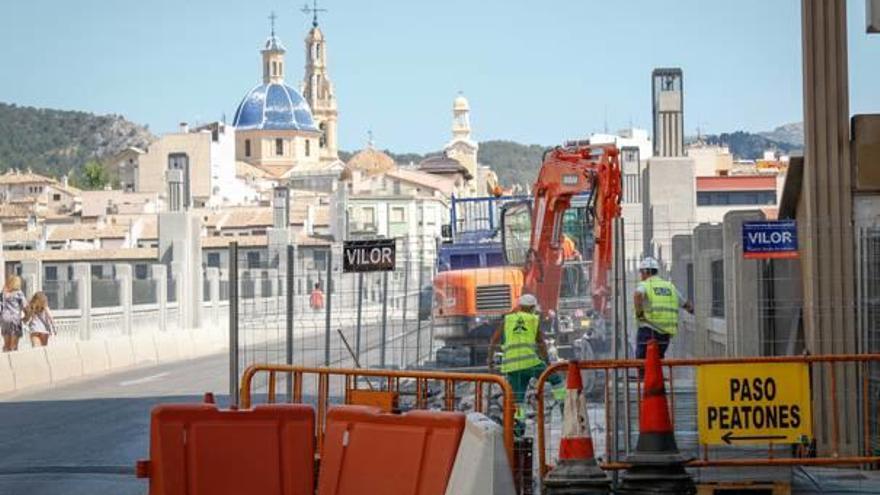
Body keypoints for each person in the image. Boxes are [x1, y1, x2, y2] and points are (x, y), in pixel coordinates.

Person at [488, 294, 565, 422]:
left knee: (518, 401)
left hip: (511, 366)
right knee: (556, 379)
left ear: (520, 306)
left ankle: (519, 429)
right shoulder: (533, 319)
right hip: (530, 363)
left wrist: (490, 361)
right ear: (533, 307)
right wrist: (548, 363)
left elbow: (493, 341)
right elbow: (541, 344)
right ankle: (565, 407)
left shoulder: (507, 319)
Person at [633, 257, 693, 360]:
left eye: (642, 272)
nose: (641, 276)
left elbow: (637, 295)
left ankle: (644, 376)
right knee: (658, 360)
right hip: (665, 334)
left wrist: (640, 314)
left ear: (646, 271)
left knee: (642, 362)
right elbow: (686, 305)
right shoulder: (670, 287)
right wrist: (694, 311)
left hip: (648, 330)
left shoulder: (646, 284)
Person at [1, 276, 28, 352]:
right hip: (15, 319)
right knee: (13, 346)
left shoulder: (3, 293)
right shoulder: (19, 293)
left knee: (6, 345)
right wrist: (26, 316)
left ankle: (4, 360)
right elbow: (25, 306)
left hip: (5, 319)